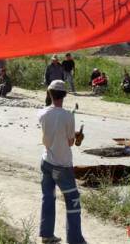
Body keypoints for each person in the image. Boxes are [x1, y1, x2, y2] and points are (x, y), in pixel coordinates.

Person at [38, 80, 86, 244]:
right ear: (64, 95)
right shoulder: (67, 116)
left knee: (48, 197)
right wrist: (77, 135)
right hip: (62, 166)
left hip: (46, 162)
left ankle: (46, 235)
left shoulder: (42, 113)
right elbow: (70, 142)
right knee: (72, 201)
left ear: (49, 94)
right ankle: (75, 240)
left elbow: (53, 133)